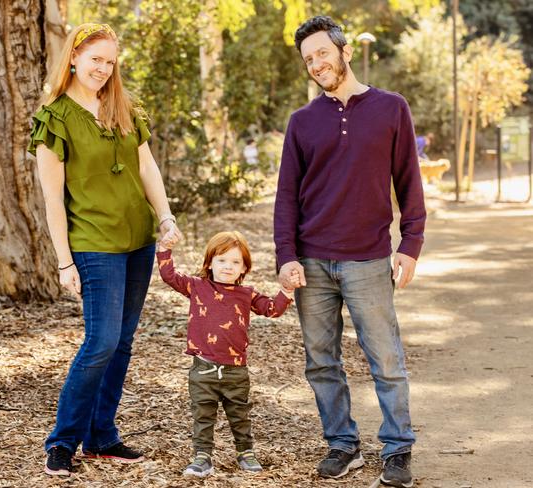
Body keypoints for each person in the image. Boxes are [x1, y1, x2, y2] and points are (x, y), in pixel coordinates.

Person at [273, 16, 426, 488]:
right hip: (313, 263)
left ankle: (397, 448)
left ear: (344, 52)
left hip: (368, 258)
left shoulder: (391, 108)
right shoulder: (302, 122)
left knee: (385, 359)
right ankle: (342, 445)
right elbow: (287, 196)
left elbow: (409, 182)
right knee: (321, 361)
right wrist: (286, 255)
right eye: (308, 59)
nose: (316, 63)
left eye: (322, 53)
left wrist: (411, 244)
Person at [28, 22, 182, 477]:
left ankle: (101, 437)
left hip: (139, 241)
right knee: (100, 342)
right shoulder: (54, 117)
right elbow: (53, 199)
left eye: (110, 61)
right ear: (74, 57)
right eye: (96, 58)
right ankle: (62, 441)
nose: (103, 68)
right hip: (94, 244)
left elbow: (147, 166)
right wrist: (63, 261)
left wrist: (166, 216)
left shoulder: (123, 106)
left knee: (123, 342)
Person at [156, 231, 298, 477]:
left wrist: (286, 291)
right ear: (210, 263)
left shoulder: (246, 294)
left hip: (235, 371)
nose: (228, 267)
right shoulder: (197, 287)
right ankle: (202, 456)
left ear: (244, 268)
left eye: (235, 262)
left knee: (239, 414)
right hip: (203, 369)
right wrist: (164, 249)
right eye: (221, 260)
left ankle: (245, 451)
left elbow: (271, 309)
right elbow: (169, 276)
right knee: (203, 414)